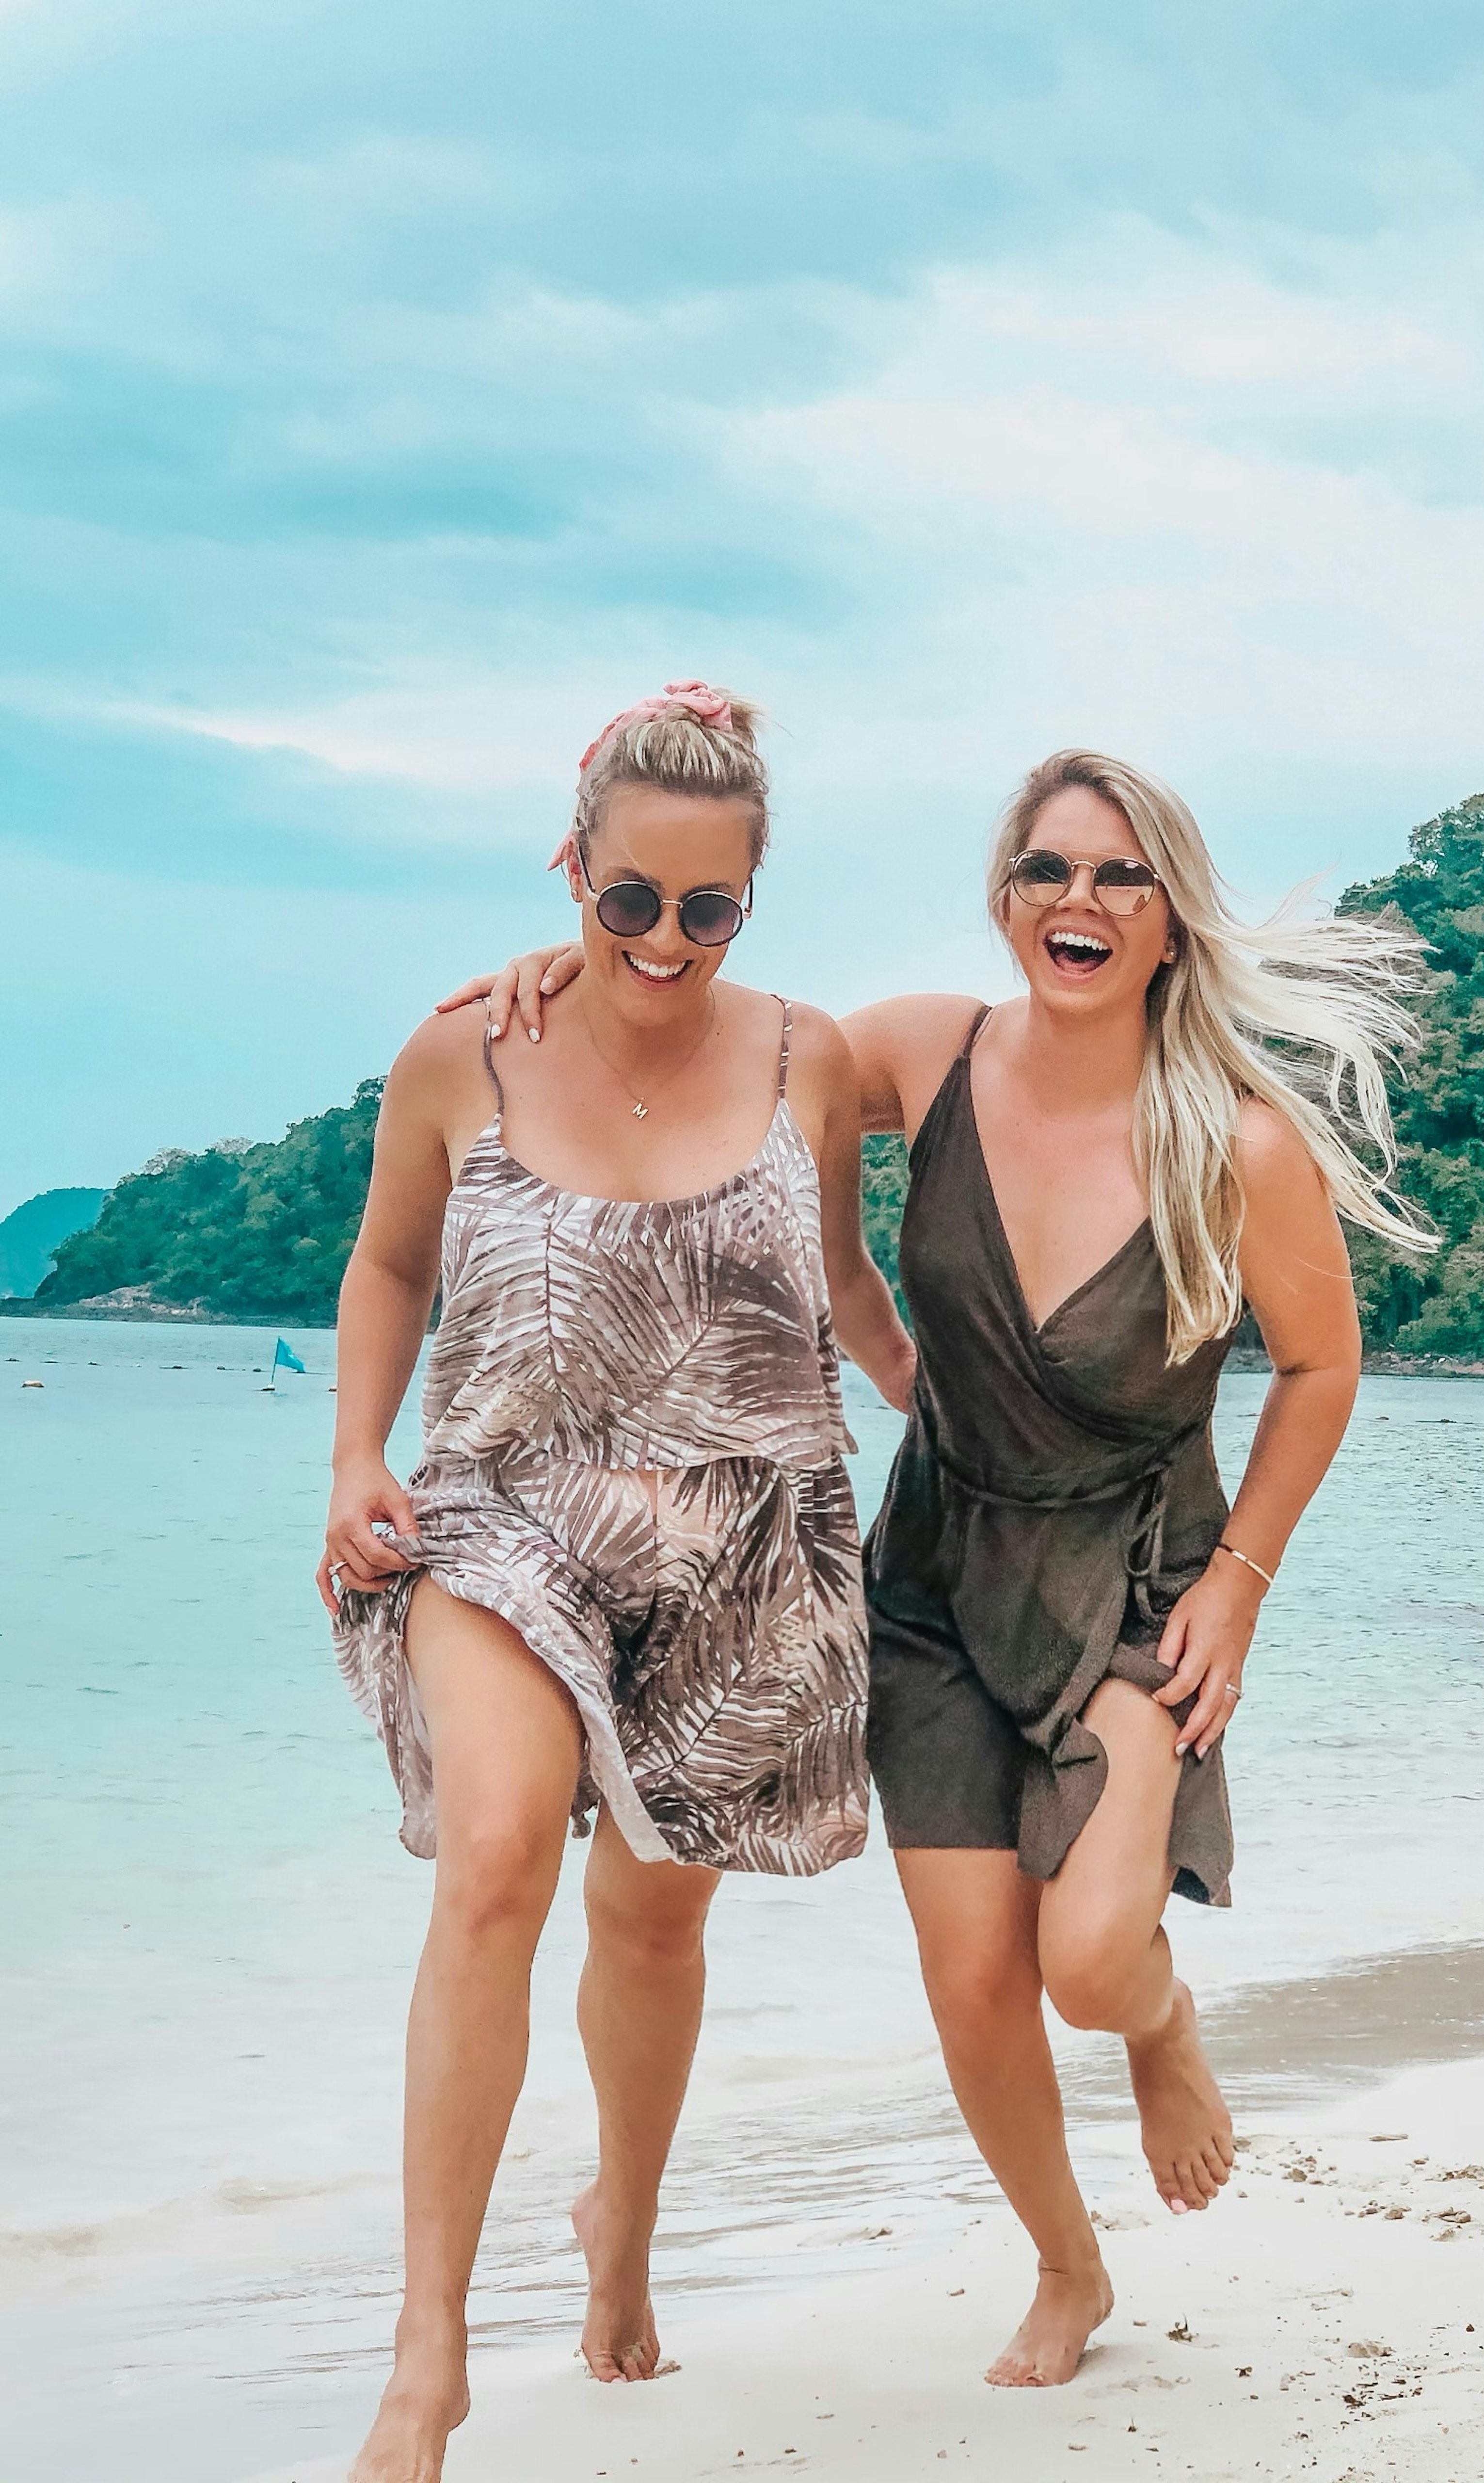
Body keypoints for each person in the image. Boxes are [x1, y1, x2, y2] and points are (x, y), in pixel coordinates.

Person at [458, 742, 1427, 2390]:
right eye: (1048, 868)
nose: (1078, 900)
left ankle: (1165, 2028)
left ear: (1169, 919)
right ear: (1003, 895)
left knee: (1090, 1963)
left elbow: (1323, 1369)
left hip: (1134, 1579)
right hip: (929, 1578)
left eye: (1118, 875)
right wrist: (586, 955)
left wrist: (1241, 1582)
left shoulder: (1239, 1145)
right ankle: (1069, 2266)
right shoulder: (927, 1053)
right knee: (974, 1978)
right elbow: (714, 1045)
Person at [324, 682, 914, 2483]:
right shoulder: (465, 1054)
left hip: (742, 1549)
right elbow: (390, 1268)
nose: (665, 940)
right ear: (569, 869)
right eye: (628, 898)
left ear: (754, 896)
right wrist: (356, 1456)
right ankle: (428, 2351)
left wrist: (983, 1423)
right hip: (503, 1514)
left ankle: (623, 2229)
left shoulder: (814, 1061)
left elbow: (858, 1279)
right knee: (499, 1856)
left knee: (655, 1925)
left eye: (707, 907)